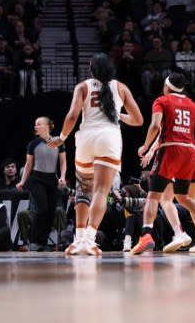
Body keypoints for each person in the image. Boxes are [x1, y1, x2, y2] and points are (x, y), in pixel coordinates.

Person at [48, 54, 144, 256]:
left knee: (83, 190)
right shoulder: (121, 87)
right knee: (101, 191)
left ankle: (78, 239)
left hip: (86, 139)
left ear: (92, 70)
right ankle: (90, 240)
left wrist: (62, 137)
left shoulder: (83, 86)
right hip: (109, 138)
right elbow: (138, 120)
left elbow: (72, 115)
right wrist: (118, 114)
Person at [131, 73, 195, 255]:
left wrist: (145, 145)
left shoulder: (162, 101)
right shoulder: (194, 105)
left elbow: (154, 127)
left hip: (171, 150)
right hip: (191, 152)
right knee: (183, 197)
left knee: (153, 196)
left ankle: (147, 234)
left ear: (167, 87)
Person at [16, 116, 67, 251]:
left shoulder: (58, 142)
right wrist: (22, 181)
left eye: (39, 124)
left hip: (52, 180)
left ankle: (43, 243)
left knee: (51, 211)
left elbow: (63, 162)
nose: (36, 127)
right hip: (37, 179)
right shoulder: (33, 144)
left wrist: (62, 176)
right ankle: (34, 241)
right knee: (42, 209)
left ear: (48, 126)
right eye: (35, 124)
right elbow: (28, 165)